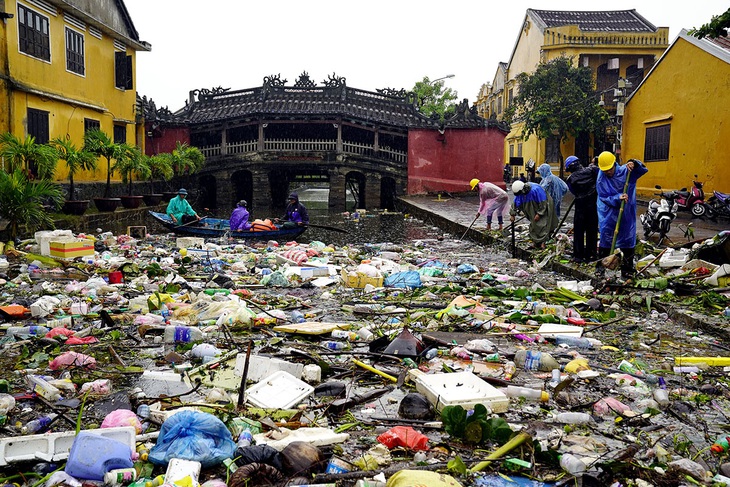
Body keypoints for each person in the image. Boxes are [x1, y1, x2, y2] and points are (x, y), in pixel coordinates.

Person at [596, 151, 648, 279]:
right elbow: (603, 196)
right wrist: (617, 197)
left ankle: (627, 270)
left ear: (615, 164)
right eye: (605, 170)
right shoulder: (601, 177)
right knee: (606, 237)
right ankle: (601, 268)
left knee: (627, 238)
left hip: (626, 211)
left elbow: (642, 170)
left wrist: (634, 163)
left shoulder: (626, 171)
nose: (608, 172)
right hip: (608, 211)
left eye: (610, 169)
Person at [565, 155, 599, 263]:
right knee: (592, 230)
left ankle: (578, 256)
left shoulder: (570, 179)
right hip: (593, 204)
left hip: (580, 206)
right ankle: (591, 254)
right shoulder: (592, 170)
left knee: (579, 231)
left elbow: (574, 192)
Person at [509, 180, 558, 249]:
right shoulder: (520, 193)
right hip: (531, 205)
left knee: (543, 223)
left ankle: (543, 242)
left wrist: (539, 214)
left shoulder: (536, 190)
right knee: (534, 224)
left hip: (543, 205)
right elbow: (515, 203)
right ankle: (536, 242)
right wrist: (512, 214)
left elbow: (543, 203)